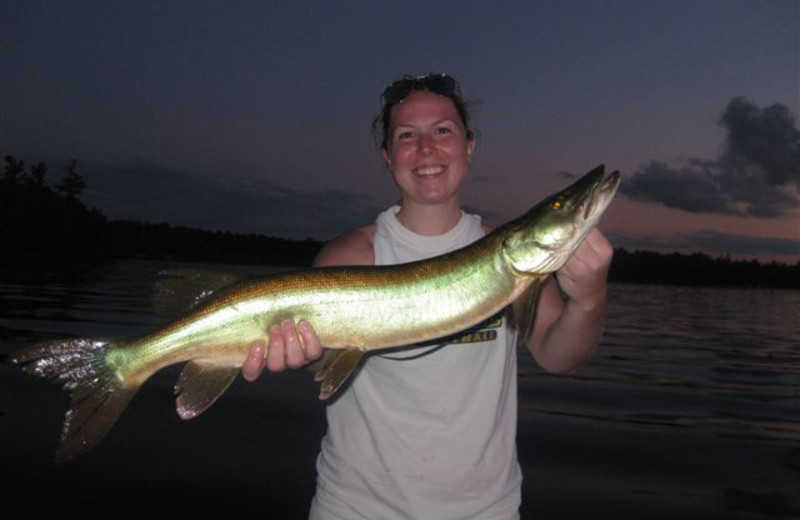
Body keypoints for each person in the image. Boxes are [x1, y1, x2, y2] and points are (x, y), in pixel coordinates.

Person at [242, 73, 613, 519]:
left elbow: (559, 355)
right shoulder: (351, 255)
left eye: (442, 131)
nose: (426, 149)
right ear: (387, 155)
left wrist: (589, 299)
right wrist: (297, 354)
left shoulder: (514, 258)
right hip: (356, 509)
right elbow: (326, 363)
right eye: (406, 136)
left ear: (469, 146)